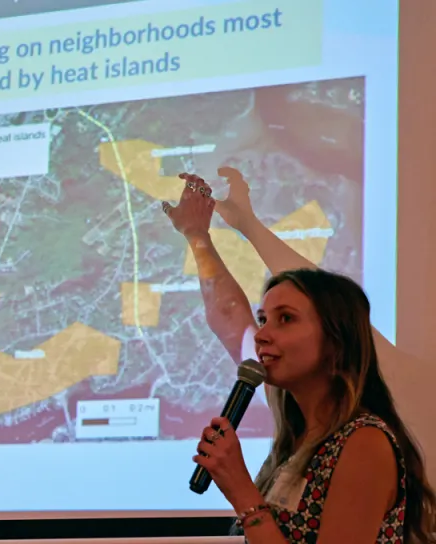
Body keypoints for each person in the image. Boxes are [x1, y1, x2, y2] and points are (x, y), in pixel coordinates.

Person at [162, 170, 435, 543]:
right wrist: (197, 236)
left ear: (336, 343)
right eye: (263, 319)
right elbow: (228, 315)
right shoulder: (299, 442)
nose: (261, 334)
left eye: (285, 319)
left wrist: (242, 491)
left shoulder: (364, 443)